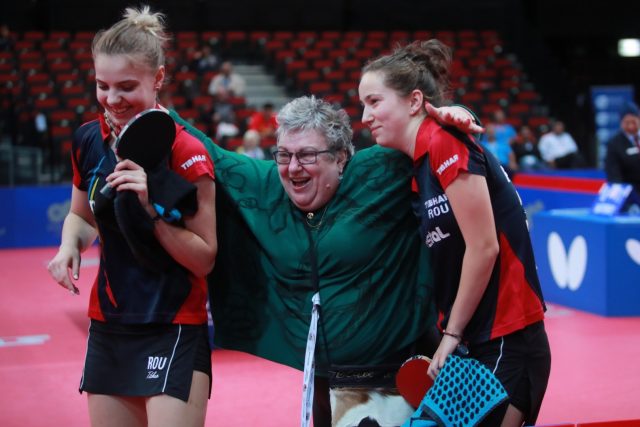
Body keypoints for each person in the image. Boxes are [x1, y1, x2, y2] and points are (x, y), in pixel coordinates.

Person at [169, 96, 477, 426]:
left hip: (408, 372)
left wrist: (458, 116)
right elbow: (209, 151)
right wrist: (148, 108)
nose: (293, 167)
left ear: (341, 158)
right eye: (285, 154)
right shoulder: (268, 183)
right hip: (326, 384)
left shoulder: (383, 169)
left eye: (307, 155)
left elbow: (435, 139)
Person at [359, 39, 551, 427]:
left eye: (374, 101)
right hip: (472, 346)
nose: (364, 116)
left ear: (414, 102)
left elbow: (483, 248)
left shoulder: (444, 141)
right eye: (363, 104)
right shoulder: (418, 172)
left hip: (506, 339)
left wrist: (450, 333)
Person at [46, 6, 217, 427]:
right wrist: (70, 245)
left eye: (126, 86)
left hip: (173, 323)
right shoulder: (89, 139)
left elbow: (204, 258)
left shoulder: (187, 151)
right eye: (102, 86)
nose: (112, 99)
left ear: (157, 79)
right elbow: (82, 217)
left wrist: (150, 212)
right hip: (109, 323)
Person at [604, 101, 640, 195]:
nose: (631, 127)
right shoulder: (614, 144)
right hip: (630, 195)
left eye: (633, 122)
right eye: (627, 123)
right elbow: (614, 177)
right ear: (621, 123)